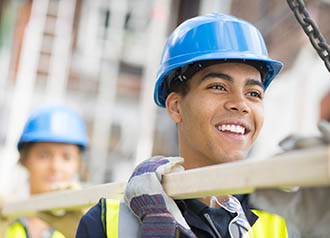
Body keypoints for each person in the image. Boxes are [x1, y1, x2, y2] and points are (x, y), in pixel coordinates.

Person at [76, 13, 288, 237]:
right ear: (176, 107)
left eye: (253, 93)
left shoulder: (282, 223)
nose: (241, 104)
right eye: (218, 87)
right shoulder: (109, 224)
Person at [4, 105, 88, 238]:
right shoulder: (5, 220)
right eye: (44, 155)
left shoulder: (90, 226)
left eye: (66, 157)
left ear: (78, 164)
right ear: (24, 159)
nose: (55, 167)